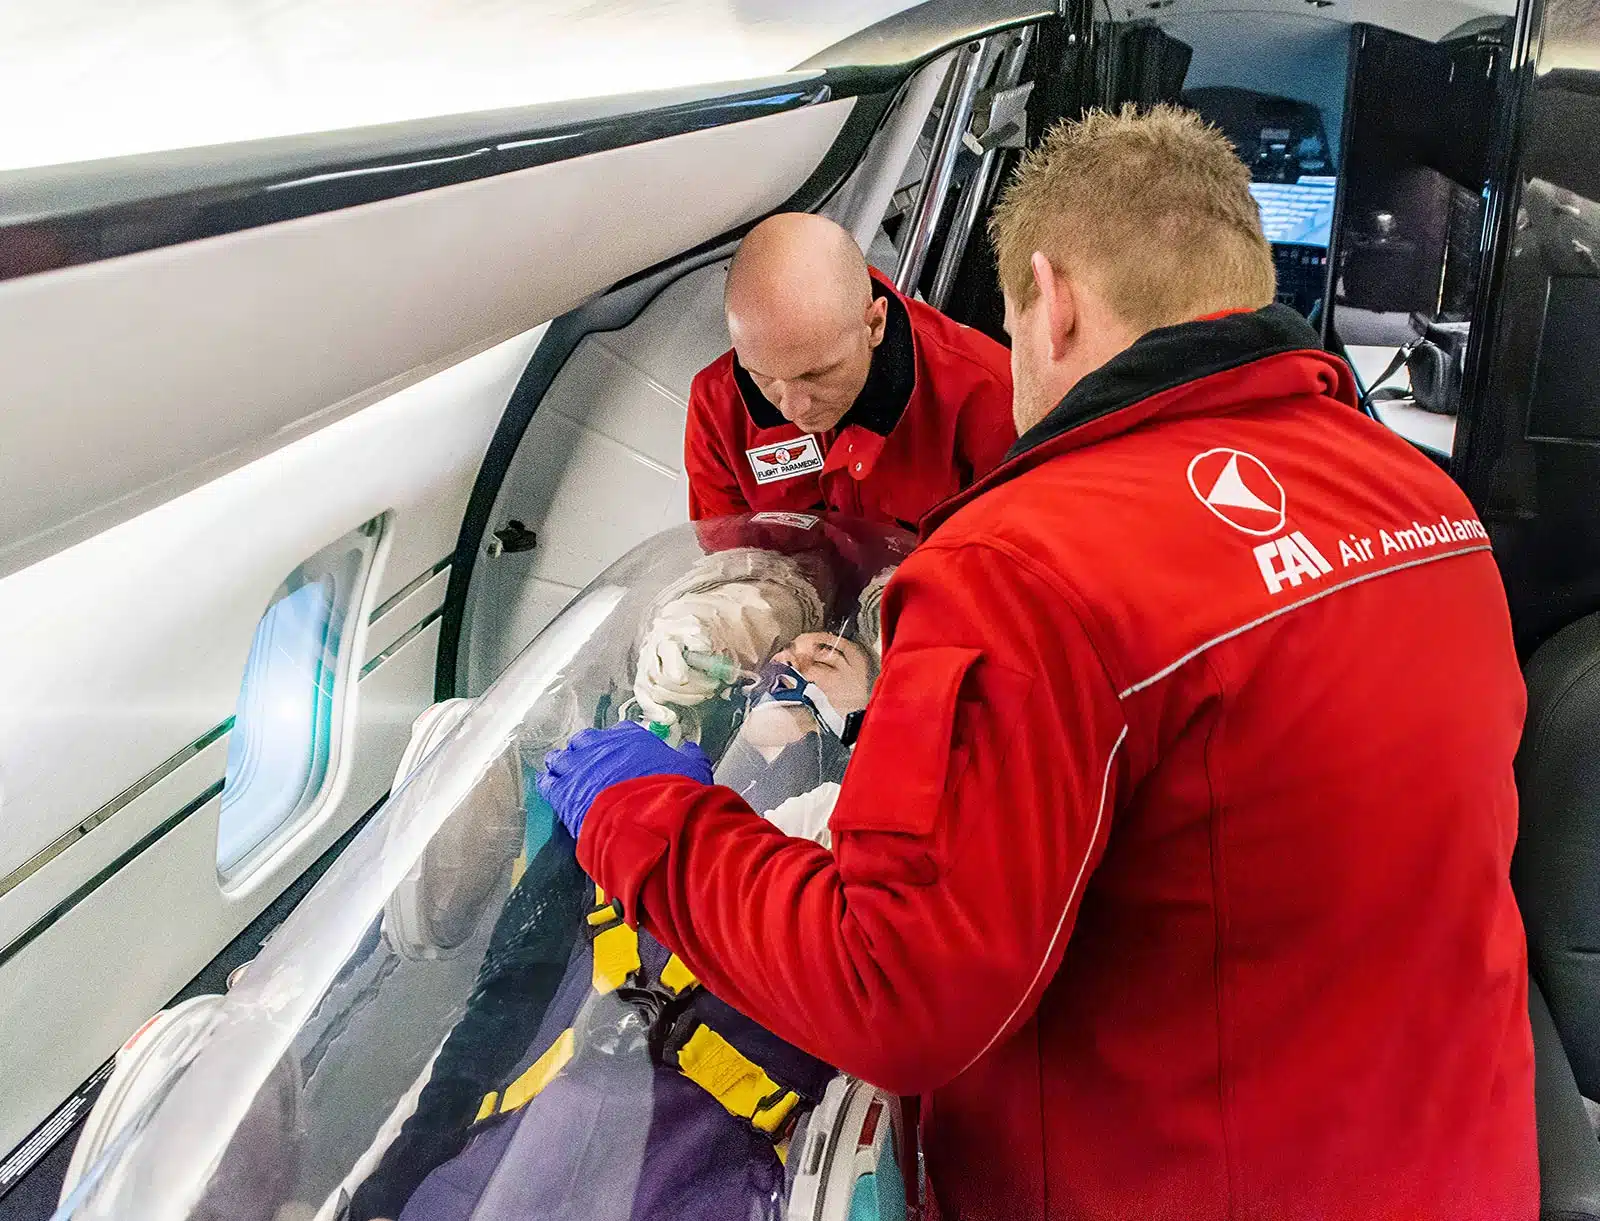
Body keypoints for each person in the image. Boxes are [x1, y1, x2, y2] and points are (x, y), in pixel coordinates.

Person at [540, 105, 1537, 1221]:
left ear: (1051, 300)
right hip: (1458, 1162)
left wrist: (640, 812)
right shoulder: (1422, 503)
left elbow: (894, 990)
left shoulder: (1020, 563)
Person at [349, 588, 887, 1221]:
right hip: (518, 1154)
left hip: (697, 1161)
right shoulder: (611, 788)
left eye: (833, 659)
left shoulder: (852, 826)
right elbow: (500, 1008)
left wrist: (864, 738)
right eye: (784, 663)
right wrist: (386, 1189)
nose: (805, 660)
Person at [684, 212, 1014, 530]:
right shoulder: (717, 406)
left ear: (874, 323)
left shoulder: (995, 400)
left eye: (815, 374)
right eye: (763, 376)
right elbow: (728, 558)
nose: (791, 408)